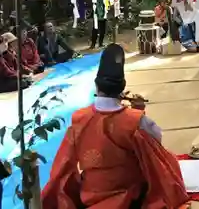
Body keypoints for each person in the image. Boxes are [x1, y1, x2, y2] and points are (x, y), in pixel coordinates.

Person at [41, 44, 190, 209]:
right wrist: (139, 112)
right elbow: (157, 141)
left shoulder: (78, 119)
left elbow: (64, 164)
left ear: (97, 87)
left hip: (90, 195)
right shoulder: (135, 121)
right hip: (127, 197)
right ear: (122, 90)